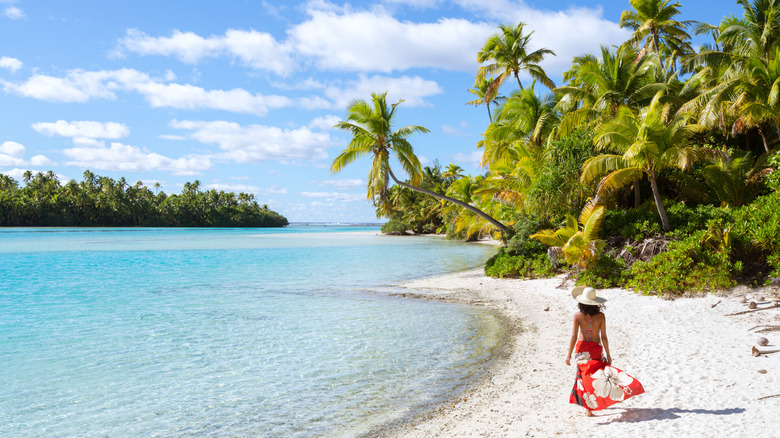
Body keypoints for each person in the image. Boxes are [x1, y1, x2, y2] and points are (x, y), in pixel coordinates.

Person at [565, 286, 644, 416]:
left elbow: (573, 337)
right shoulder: (601, 316)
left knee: (583, 378)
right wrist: (608, 354)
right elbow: (604, 337)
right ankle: (605, 397)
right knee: (599, 375)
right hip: (596, 349)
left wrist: (568, 355)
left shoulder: (577, 316)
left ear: (581, 302)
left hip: (581, 349)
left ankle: (588, 408)